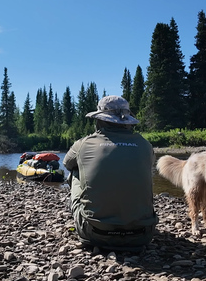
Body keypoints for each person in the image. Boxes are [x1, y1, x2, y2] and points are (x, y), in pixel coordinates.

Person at [63, 95, 158, 251]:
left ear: (99, 119)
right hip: (142, 235)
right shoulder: (145, 145)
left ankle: (93, 214)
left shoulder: (84, 143)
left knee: (75, 170)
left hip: (94, 233)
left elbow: (67, 163)